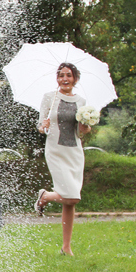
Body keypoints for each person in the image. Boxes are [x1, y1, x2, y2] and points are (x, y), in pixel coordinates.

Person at [34, 62, 91, 256]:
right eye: (61, 75)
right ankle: (46, 196)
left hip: (74, 151)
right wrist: (44, 125)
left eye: (69, 75)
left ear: (75, 78)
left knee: (70, 201)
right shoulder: (50, 98)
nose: (65, 79)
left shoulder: (81, 101)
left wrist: (86, 125)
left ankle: (66, 247)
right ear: (57, 78)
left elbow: (82, 131)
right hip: (56, 150)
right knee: (71, 196)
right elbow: (41, 126)